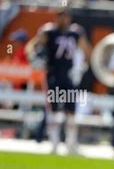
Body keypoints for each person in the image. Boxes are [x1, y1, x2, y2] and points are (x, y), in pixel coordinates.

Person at [26, 8, 91, 154]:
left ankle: (71, 143)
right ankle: (54, 143)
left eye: (67, 17)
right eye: (62, 17)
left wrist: (81, 68)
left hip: (68, 75)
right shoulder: (49, 31)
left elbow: (87, 50)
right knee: (54, 110)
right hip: (53, 74)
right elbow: (31, 46)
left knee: (71, 111)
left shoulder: (76, 32)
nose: (64, 20)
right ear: (57, 18)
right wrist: (35, 60)